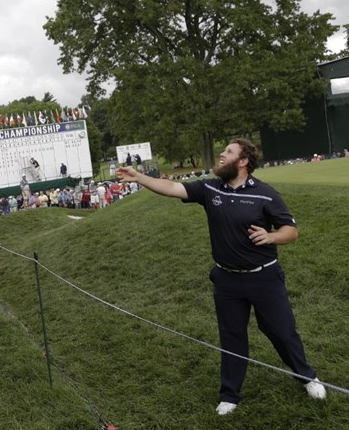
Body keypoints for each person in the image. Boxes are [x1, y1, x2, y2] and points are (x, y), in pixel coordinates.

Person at [116, 138, 326, 416]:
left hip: (264, 278)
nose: (221, 155)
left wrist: (271, 236)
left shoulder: (266, 194)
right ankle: (230, 395)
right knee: (231, 337)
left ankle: (307, 377)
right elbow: (171, 187)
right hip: (227, 280)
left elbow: (291, 230)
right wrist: (139, 177)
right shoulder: (209, 188)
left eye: (228, 152)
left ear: (243, 161)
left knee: (283, 333)